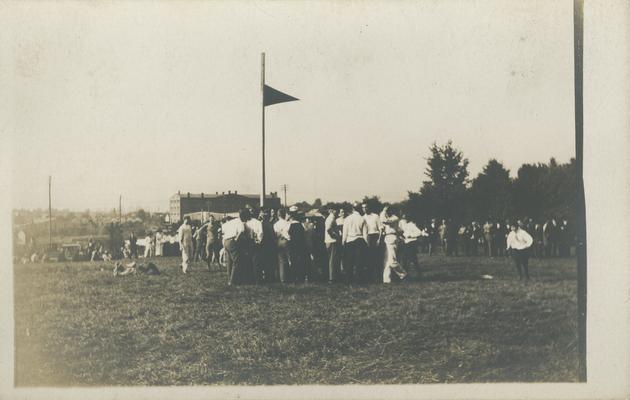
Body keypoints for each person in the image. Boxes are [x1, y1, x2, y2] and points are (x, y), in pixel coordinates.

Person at [342, 202, 368, 283]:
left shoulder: (347, 219)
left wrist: (343, 241)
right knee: (359, 262)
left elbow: (345, 232)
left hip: (350, 240)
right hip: (359, 240)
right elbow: (365, 234)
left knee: (349, 261)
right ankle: (358, 280)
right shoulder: (362, 219)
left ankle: (348, 279)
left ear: (352, 209)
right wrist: (367, 243)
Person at [222, 210, 250, 285]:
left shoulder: (232, 221)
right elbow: (241, 232)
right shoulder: (240, 223)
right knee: (236, 261)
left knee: (229, 261)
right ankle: (232, 281)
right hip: (232, 241)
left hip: (225, 241)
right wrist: (236, 240)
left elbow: (223, 228)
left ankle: (229, 279)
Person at [380, 206, 407, 283]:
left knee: (392, 261)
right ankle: (387, 280)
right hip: (387, 238)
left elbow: (385, 221)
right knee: (386, 261)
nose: (387, 212)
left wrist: (383, 211)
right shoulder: (389, 218)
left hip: (392, 237)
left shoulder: (395, 218)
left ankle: (403, 274)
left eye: (388, 210)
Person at [288, 206, 309, 283]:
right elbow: (305, 234)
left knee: (293, 261)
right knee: (300, 261)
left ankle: (294, 278)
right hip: (300, 245)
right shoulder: (301, 224)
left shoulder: (289, 224)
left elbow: (287, 236)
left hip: (293, 245)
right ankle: (300, 278)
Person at [362, 203, 382, 283]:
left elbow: (380, 228)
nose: (365, 209)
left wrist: (379, 239)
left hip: (375, 236)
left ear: (369, 207)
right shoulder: (362, 218)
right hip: (367, 237)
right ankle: (370, 278)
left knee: (377, 258)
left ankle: (378, 277)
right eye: (363, 207)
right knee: (368, 258)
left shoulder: (375, 216)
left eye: (366, 207)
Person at [246, 209, 264, 284]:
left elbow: (261, 233)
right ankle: (254, 279)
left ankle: (255, 279)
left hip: (252, 243)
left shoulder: (255, 222)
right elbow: (261, 233)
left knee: (254, 262)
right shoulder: (249, 222)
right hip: (252, 243)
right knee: (253, 262)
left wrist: (258, 241)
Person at [274, 208, 291, 283]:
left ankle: (283, 279)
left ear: (278, 215)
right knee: (289, 259)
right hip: (287, 241)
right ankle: (290, 277)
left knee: (281, 261)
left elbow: (276, 234)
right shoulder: (288, 223)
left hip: (279, 241)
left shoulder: (276, 224)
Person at [324, 208, 341, 283]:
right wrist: (335, 236)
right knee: (332, 260)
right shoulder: (331, 218)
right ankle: (332, 277)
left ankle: (333, 276)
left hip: (329, 241)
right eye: (336, 210)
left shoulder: (330, 218)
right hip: (332, 241)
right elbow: (328, 229)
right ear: (332, 210)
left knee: (332, 260)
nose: (337, 212)